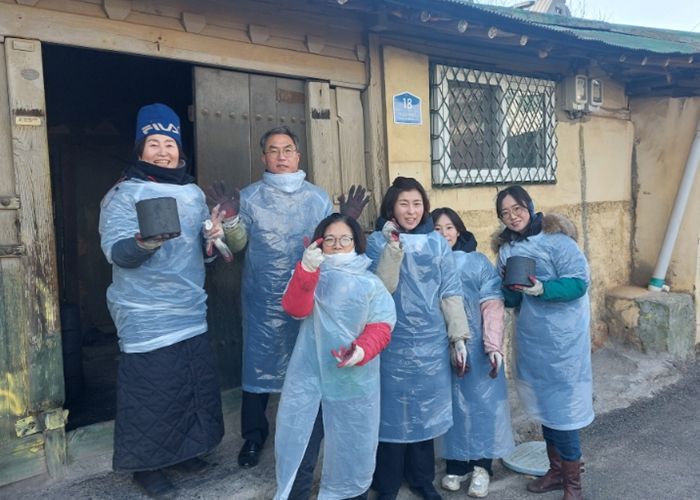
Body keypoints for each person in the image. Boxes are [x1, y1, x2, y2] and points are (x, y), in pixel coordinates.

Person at [205, 126, 370, 469]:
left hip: (310, 294)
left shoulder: (317, 197)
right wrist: (232, 219)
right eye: (273, 150)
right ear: (263, 157)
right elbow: (237, 245)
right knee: (258, 365)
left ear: (298, 155)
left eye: (287, 149)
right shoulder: (250, 197)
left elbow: (330, 241)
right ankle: (254, 436)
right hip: (262, 298)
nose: (281, 156)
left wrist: (347, 220)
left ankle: (309, 430)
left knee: (311, 361)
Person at [99, 103, 225, 498]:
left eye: (169, 144)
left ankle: (185, 452)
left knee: (189, 383)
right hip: (145, 312)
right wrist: (145, 242)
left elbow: (201, 254)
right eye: (153, 144)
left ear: (179, 149)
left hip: (190, 307)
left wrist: (212, 239)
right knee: (151, 391)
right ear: (140, 149)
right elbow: (117, 253)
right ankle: (146, 467)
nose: (162, 152)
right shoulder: (123, 194)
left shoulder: (192, 194)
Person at [273, 213, 396, 500]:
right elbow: (295, 309)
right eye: (330, 239)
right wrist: (306, 271)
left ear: (356, 242)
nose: (337, 245)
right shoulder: (310, 274)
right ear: (319, 243)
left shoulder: (370, 283)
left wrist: (361, 350)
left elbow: (381, 325)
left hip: (352, 382)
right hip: (309, 381)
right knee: (300, 448)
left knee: (352, 454)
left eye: (344, 239)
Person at [365, 177, 470, 500]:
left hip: (430, 342)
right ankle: (387, 484)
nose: (411, 211)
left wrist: (458, 337)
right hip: (390, 341)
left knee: (425, 412)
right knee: (392, 414)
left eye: (417, 204)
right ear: (391, 208)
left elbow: (450, 291)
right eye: (404, 204)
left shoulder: (437, 244)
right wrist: (393, 247)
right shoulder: (376, 242)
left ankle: (422, 480)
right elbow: (381, 288)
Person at [493, 185, 593, 500]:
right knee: (546, 407)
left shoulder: (558, 242)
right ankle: (556, 471)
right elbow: (511, 298)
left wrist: (543, 289)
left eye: (517, 209)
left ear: (530, 206)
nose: (512, 216)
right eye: (505, 213)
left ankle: (573, 485)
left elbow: (578, 283)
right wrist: (508, 289)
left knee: (564, 412)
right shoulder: (507, 250)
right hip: (532, 340)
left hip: (564, 343)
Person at [432, 208, 515, 498]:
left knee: (483, 405)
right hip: (442, 345)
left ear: (459, 230)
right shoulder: (428, 263)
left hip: (479, 346)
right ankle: (457, 464)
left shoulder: (477, 262)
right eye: (437, 229)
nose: (444, 234)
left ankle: (482, 466)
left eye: (449, 227)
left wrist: (492, 346)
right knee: (452, 406)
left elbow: (492, 304)